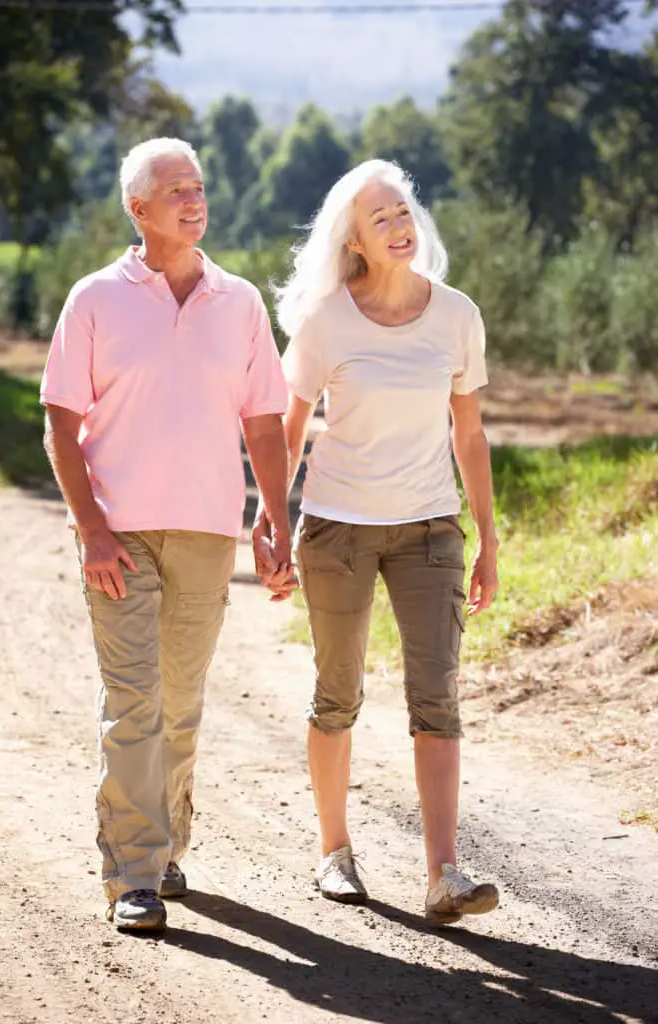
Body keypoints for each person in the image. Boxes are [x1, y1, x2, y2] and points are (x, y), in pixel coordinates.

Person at [41, 137, 292, 933]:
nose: (193, 198)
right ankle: (132, 874)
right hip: (120, 533)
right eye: (174, 189)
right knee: (134, 702)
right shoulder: (93, 299)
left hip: (208, 531)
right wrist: (91, 530)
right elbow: (60, 421)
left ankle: (165, 845)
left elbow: (264, 420)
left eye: (198, 185)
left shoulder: (240, 301)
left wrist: (275, 513)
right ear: (137, 209)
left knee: (181, 701)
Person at [255, 159, 500, 926]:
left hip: (430, 528)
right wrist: (268, 516)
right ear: (354, 241)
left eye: (403, 211)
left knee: (438, 698)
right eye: (380, 218)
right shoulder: (327, 320)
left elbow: (469, 432)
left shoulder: (456, 313)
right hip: (336, 528)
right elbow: (288, 427)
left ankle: (443, 875)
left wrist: (487, 537)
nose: (399, 225)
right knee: (338, 693)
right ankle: (335, 853)